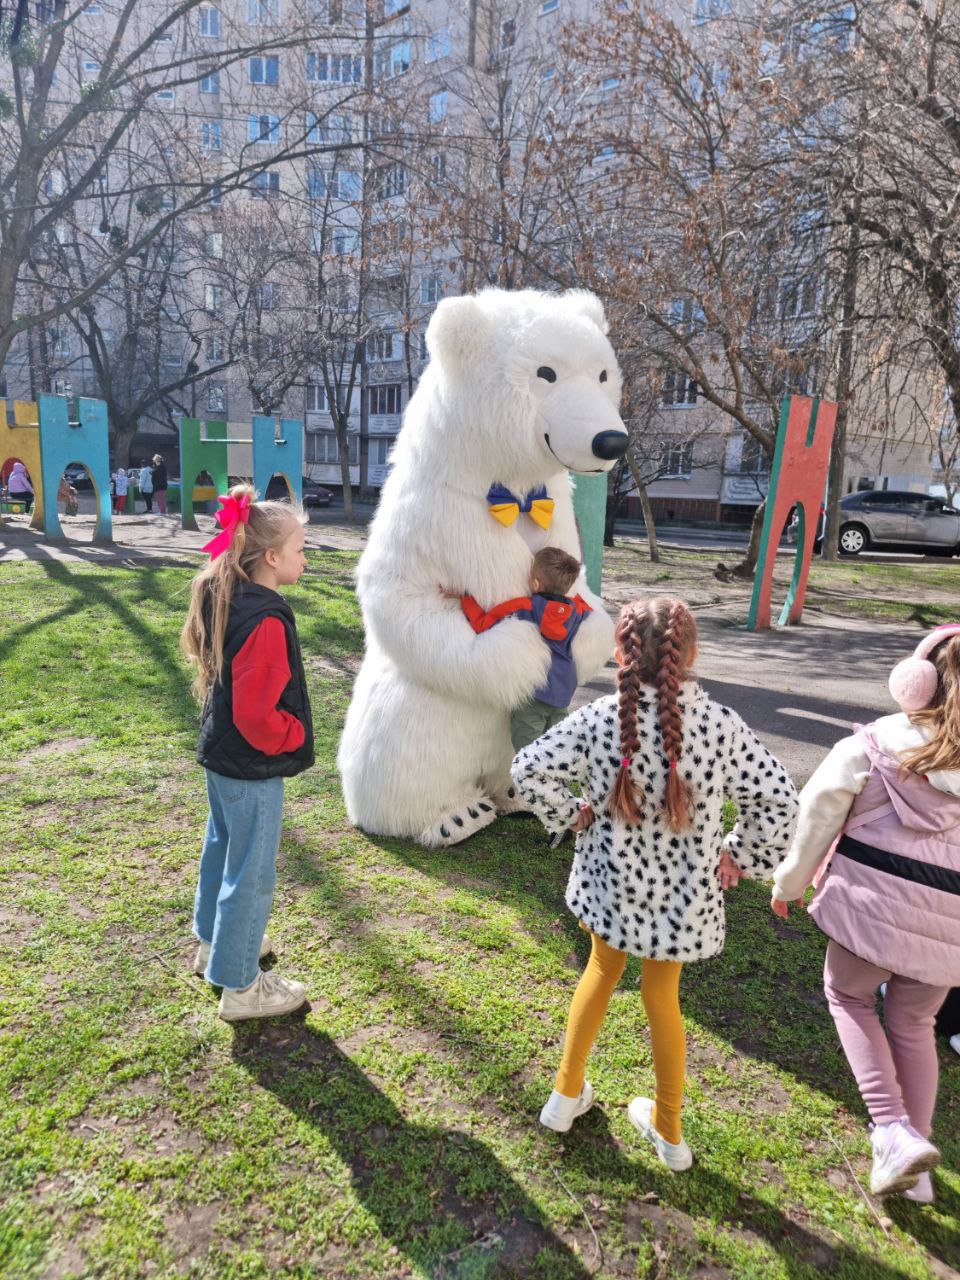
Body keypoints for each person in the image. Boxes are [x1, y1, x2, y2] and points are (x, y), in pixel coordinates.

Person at [512, 597, 798, 1169]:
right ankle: (669, 1130)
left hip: (608, 887)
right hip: (683, 901)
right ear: (690, 653)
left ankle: (564, 1097)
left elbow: (526, 769)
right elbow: (780, 802)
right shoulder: (721, 726)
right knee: (661, 997)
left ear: (621, 651)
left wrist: (571, 815)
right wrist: (741, 856)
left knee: (599, 972)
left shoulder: (597, 719)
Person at [771, 624, 960, 1204]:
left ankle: (891, 1130)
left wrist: (789, 883)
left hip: (868, 907)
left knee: (848, 995)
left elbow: (817, 816)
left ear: (915, 682)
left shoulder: (874, 742)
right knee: (914, 1023)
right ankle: (916, 1161)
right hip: (948, 930)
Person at [181, 484, 314, 1021]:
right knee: (252, 871)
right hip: (250, 765)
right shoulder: (264, 619)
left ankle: (215, 945)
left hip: (224, 759)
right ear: (273, 557)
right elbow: (257, 714)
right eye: (302, 550)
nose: (307, 558)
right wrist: (293, 735)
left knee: (223, 850)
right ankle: (240, 986)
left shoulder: (229, 592)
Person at [459, 547, 591, 750]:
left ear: (535, 583)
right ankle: (557, 778)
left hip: (534, 693)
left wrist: (465, 596)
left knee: (527, 750)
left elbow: (482, 623)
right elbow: (590, 612)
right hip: (564, 692)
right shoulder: (577, 610)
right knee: (557, 748)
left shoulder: (526, 606)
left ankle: (529, 780)